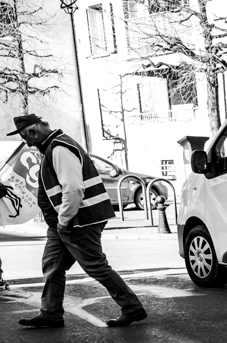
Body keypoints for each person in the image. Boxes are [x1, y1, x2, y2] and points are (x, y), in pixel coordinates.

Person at [7, 114, 147, 328]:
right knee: (52, 265)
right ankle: (50, 314)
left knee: (95, 266)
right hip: (66, 222)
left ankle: (132, 307)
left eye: (26, 138)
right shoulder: (52, 147)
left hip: (77, 220)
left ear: (33, 132)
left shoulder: (59, 148)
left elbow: (73, 189)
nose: (26, 143)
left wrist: (63, 220)